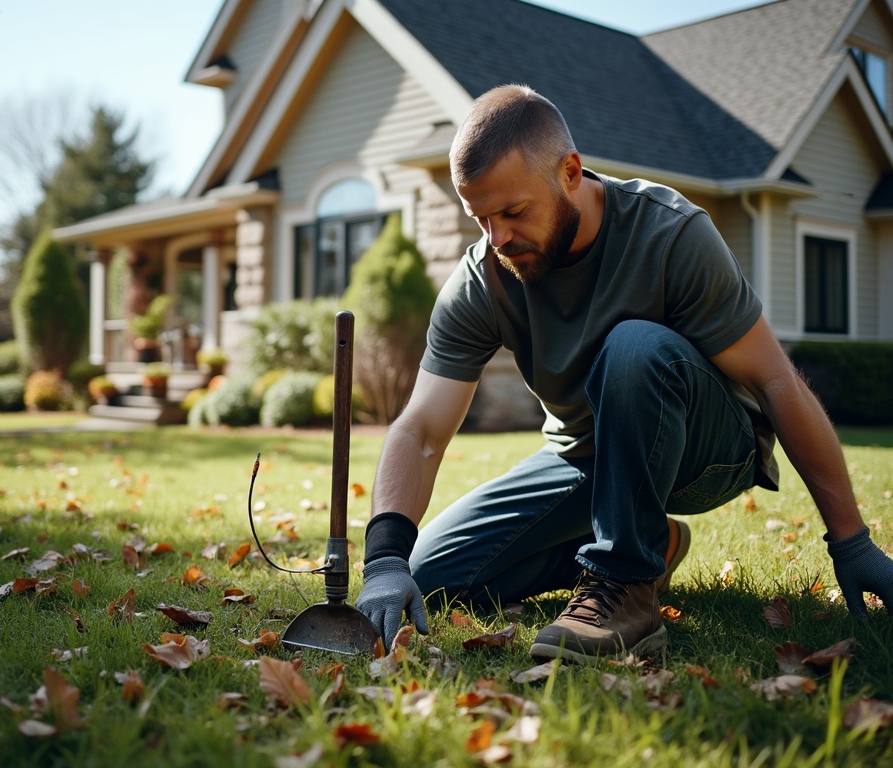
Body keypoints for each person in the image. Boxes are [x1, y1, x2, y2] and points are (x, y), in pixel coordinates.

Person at [355, 83, 893, 663]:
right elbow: (422, 429)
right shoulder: (484, 277)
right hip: (584, 455)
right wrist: (385, 559)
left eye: (513, 211)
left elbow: (775, 381)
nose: (498, 237)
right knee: (432, 574)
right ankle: (648, 545)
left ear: (570, 172)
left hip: (708, 448)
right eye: (480, 217)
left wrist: (852, 542)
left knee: (634, 346)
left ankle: (625, 588)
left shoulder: (670, 234)